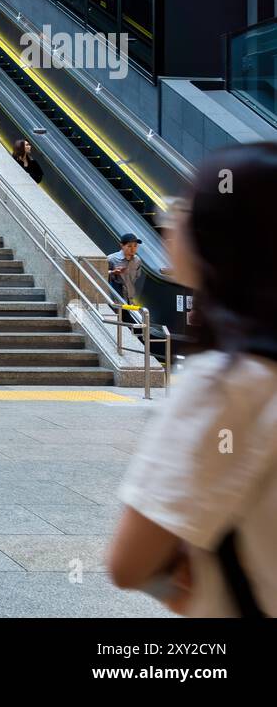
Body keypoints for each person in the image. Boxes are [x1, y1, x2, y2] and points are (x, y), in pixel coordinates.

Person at [110, 143, 277, 616]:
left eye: (184, 208)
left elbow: (129, 565)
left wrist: (184, 584)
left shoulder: (224, 384)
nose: (169, 224)